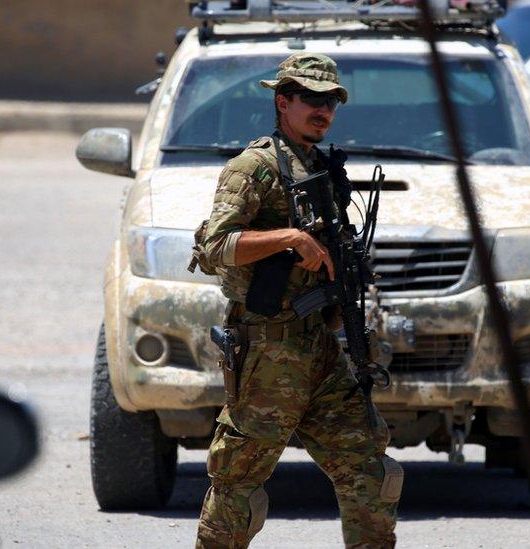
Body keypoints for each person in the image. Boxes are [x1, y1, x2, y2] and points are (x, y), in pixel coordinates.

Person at [194, 53, 402, 548]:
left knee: (370, 469)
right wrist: (290, 238)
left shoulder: (321, 169)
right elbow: (213, 248)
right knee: (238, 487)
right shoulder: (255, 167)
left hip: (319, 350)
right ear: (282, 101)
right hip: (268, 354)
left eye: (331, 101)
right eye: (311, 99)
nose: (323, 110)